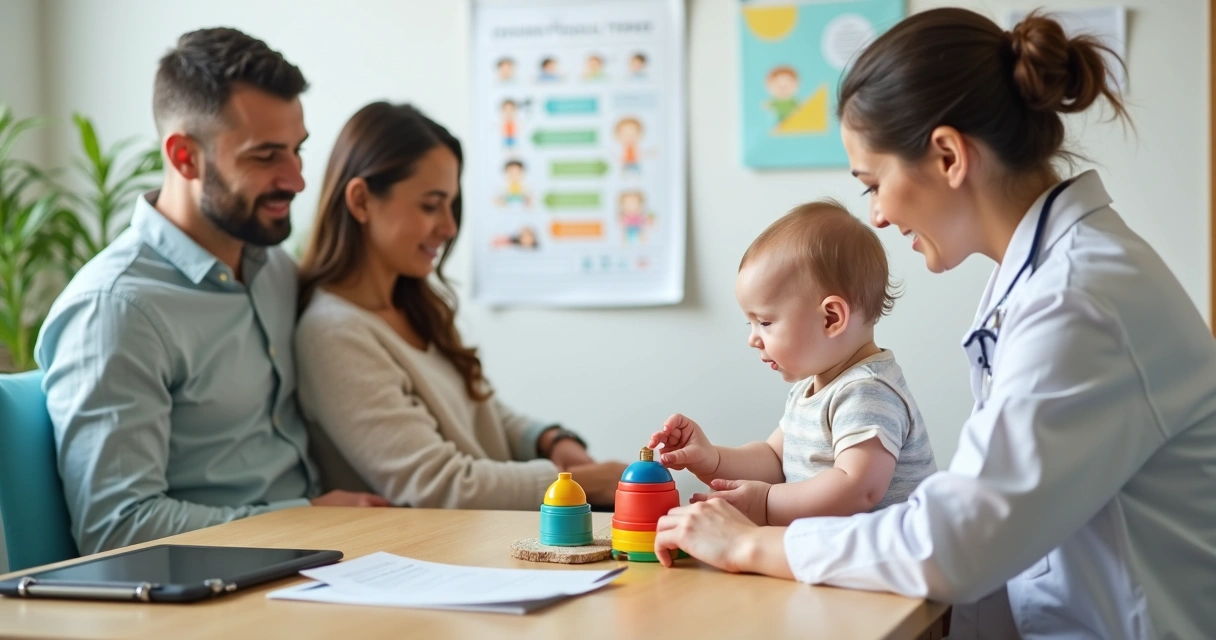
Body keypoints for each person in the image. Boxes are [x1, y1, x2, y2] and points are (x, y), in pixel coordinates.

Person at [653, 8, 1216, 638]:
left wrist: (748, 543)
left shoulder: (1077, 302)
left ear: (948, 155)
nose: (877, 216)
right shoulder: (1045, 283)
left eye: (873, 183)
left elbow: (955, 542)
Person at [35, 28, 386, 556]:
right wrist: (305, 520)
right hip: (219, 581)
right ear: (185, 157)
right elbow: (117, 529)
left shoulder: (272, 268)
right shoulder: (115, 310)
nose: (296, 180)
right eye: (265, 156)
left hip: (322, 556)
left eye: (297, 151)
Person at [295, 102, 626, 510]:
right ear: (361, 201)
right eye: (430, 205)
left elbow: (479, 410)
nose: (449, 227)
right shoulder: (333, 334)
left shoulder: (415, 305)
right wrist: (585, 483)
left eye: (450, 205)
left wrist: (548, 439)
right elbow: (438, 485)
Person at [649, 201, 935, 527]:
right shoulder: (811, 389)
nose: (753, 339)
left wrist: (766, 504)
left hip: (888, 555)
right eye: (750, 324)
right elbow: (774, 459)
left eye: (765, 322)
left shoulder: (867, 392)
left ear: (831, 318)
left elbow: (858, 488)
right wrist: (712, 458)